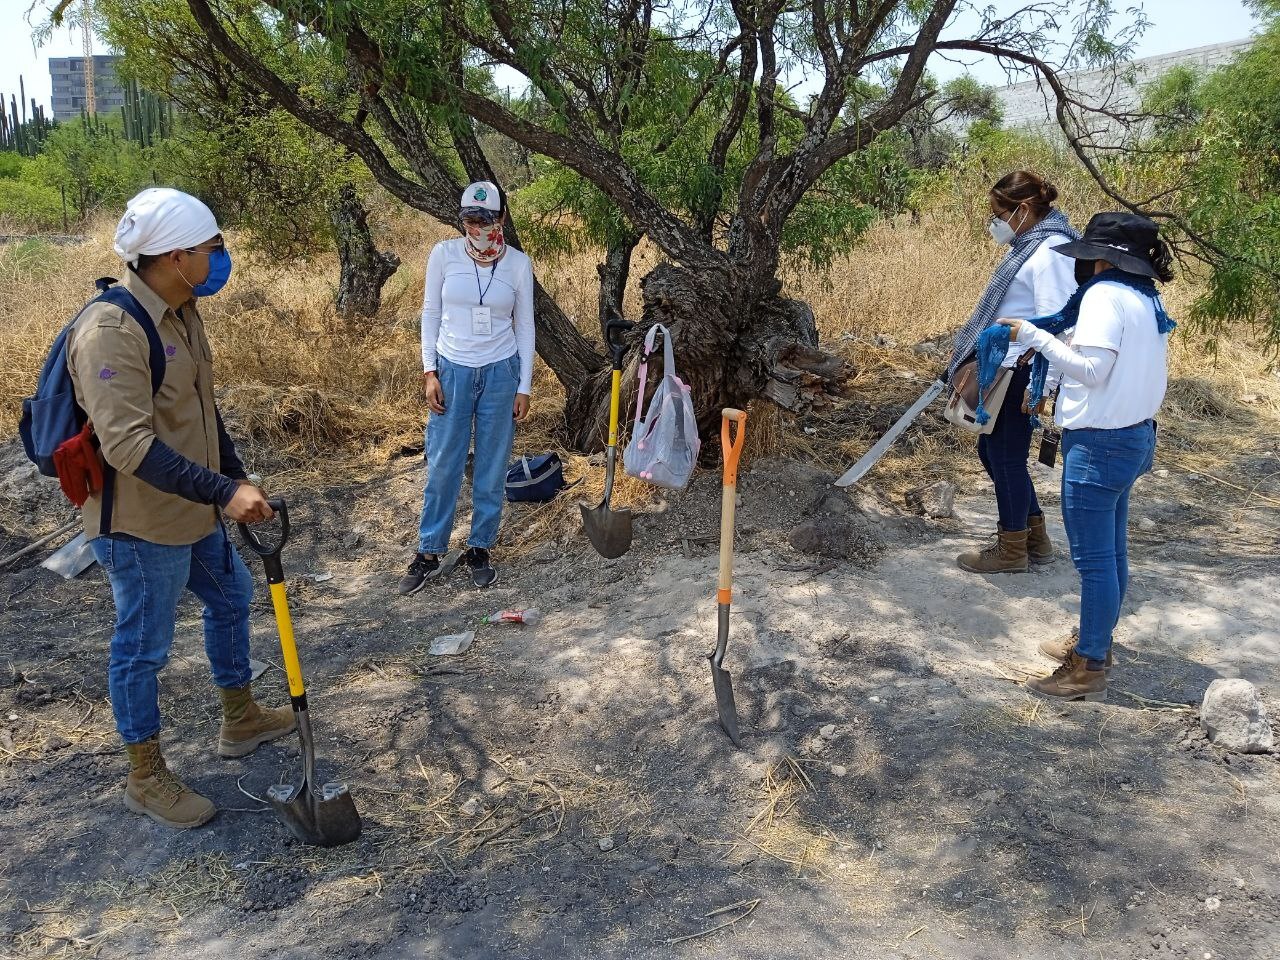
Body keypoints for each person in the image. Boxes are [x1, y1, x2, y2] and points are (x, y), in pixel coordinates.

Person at [67, 187, 293, 829]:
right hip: (140, 525)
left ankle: (240, 717)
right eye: (211, 249)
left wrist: (237, 478)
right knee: (142, 648)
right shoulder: (110, 330)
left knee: (230, 598)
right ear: (173, 255)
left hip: (196, 512)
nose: (219, 258)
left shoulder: (183, 309)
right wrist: (223, 491)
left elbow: (200, 407)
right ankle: (145, 775)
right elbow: (128, 444)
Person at [997, 212, 1175, 702]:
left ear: (1098, 259)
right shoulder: (1145, 297)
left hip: (1098, 444)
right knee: (1113, 553)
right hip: (1133, 437)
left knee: (1095, 561)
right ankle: (1097, 643)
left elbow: (1092, 371)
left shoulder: (1100, 296)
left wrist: (1033, 336)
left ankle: (1089, 664)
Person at [399, 181, 535, 594]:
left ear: (502, 220)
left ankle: (480, 547)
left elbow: (524, 325)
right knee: (443, 463)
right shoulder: (443, 255)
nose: (477, 227)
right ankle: (429, 550)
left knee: (491, 467)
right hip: (452, 369)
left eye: (486, 220)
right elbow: (430, 314)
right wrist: (429, 372)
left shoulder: (517, 264)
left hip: (500, 372)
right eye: (470, 220)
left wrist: (523, 385)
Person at [951, 171, 1079, 575]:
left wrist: (1046, 384)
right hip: (1006, 366)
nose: (995, 222)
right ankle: (1034, 537)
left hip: (1022, 371)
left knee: (1004, 456)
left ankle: (1011, 550)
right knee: (993, 451)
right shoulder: (1030, 246)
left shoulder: (1051, 251)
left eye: (998, 213)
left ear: (1023, 209)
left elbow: (1059, 322)